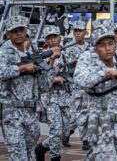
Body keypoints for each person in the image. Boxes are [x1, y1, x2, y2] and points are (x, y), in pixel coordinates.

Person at [74, 23, 117, 160]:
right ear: (95, 48)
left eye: (111, 43)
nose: (107, 48)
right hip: (99, 124)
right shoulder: (87, 58)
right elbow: (81, 80)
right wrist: (106, 73)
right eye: (102, 45)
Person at [0, 15, 54, 160]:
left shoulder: (32, 51)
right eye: (14, 31)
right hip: (11, 112)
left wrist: (50, 64)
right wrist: (22, 68)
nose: (18, 33)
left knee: (29, 154)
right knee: (19, 156)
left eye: (21, 30)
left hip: (31, 111)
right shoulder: (3, 52)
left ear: (26, 31)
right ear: (8, 33)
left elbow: (44, 85)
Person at [35, 25, 73, 161]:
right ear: (46, 41)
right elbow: (42, 78)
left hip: (65, 97)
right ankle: (55, 157)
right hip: (50, 98)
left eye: (54, 37)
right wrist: (54, 75)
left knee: (66, 131)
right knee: (56, 130)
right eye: (49, 38)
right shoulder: (42, 56)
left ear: (59, 38)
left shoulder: (67, 54)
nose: (52, 40)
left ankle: (42, 147)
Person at [65, 21, 91, 151]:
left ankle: (67, 132)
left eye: (80, 31)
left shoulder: (90, 47)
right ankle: (85, 140)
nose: (77, 33)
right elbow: (63, 67)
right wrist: (73, 63)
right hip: (76, 85)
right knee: (81, 113)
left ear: (85, 32)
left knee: (86, 114)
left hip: (89, 86)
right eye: (75, 31)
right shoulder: (68, 48)